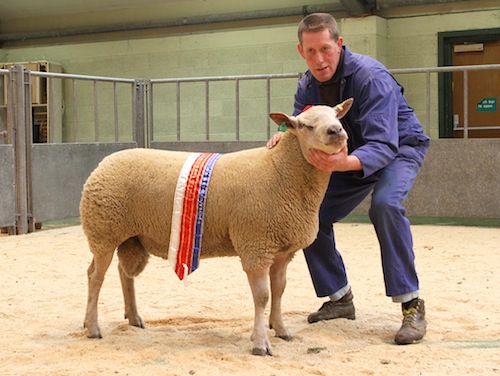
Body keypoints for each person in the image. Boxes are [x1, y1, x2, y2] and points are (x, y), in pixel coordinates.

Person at [267, 13, 430, 345]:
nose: (319, 59)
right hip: (346, 156)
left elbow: (385, 144)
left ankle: (412, 305)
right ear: (301, 51)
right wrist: (281, 137)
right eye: (310, 52)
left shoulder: (370, 77)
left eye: (325, 48)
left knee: (384, 205)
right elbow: (301, 131)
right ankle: (339, 297)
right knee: (310, 214)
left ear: (339, 44)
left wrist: (343, 163)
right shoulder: (306, 85)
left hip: (397, 149)